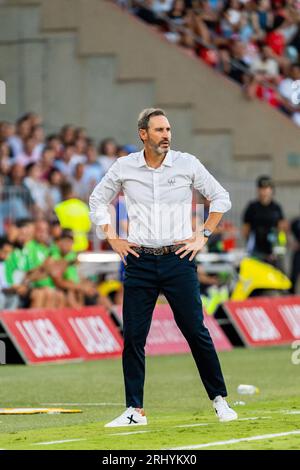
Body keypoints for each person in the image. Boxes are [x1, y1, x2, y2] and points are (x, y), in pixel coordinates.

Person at [89, 108, 237, 427]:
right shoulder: (124, 166)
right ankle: (134, 410)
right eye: (159, 130)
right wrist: (112, 237)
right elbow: (97, 200)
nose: (166, 135)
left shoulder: (187, 163)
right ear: (143, 134)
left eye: (168, 129)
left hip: (178, 259)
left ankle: (220, 400)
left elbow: (221, 198)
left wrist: (203, 235)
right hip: (139, 261)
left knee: (196, 332)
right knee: (133, 337)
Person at [242, 175, 287, 265]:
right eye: (262, 188)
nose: (264, 191)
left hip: (273, 248)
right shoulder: (252, 207)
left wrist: (279, 243)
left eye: (267, 188)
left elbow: (282, 226)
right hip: (257, 249)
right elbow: (246, 229)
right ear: (258, 190)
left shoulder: (276, 207)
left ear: (271, 190)